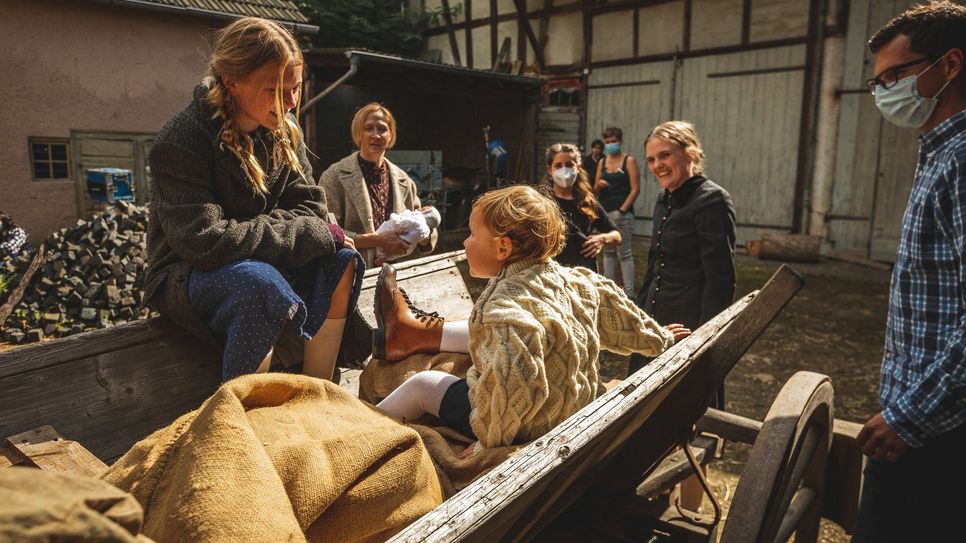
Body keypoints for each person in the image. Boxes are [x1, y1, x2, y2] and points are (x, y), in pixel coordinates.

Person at [373, 185, 690, 456]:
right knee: (479, 336)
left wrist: (490, 442)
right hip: (571, 404)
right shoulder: (578, 283)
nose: (465, 243)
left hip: (531, 423)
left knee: (423, 385)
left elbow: (516, 384)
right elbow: (623, 321)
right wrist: (660, 339)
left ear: (502, 247)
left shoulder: (508, 311)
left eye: (472, 235)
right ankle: (414, 333)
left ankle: (364, 432)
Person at [143, 17, 363, 382]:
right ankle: (243, 419)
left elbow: (311, 208)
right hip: (186, 273)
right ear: (232, 82)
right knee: (258, 283)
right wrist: (303, 232)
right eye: (276, 89)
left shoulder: (284, 132)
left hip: (260, 260)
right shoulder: (182, 139)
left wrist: (304, 231)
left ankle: (319, 389)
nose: (291, 102)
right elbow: (205, 241)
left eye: (296, 88)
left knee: (342, 260)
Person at [853, 3, 966, 541]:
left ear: (949, 65)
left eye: (896, 75)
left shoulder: (964, 161)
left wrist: (910, 418)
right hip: (917, 411)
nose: (884, 91)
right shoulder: (939, 153)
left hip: (938, 432)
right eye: (878, 81)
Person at [631, 121, 736, 377]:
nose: (657, 165)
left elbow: (720, 281)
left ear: (690, 153)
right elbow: (654, 265)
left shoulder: (711, 200)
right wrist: (640, 318)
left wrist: (704, 338)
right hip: (655, 318)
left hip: (688, 319)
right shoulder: (662, 199)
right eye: (651, 159)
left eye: (665, 155)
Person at [319, 103, 438, 267]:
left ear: (390, 136)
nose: (376, 135)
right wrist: (377, 240)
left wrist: (422, 234)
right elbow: (324, 232)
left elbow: (424, 226)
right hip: (352, 274)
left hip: (399, 273)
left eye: (382, 129)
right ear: (358, 133)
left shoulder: (404, 181)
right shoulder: (334, 177)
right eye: (369, 128)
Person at [545, 143, 620, 272]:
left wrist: (601, 239)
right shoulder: (542, 202)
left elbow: (617, 235)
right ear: (550, 170)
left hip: (584, 274)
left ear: (578, 168)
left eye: (569, 165)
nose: (564, 170)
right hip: (552, 274)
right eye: (558, 165)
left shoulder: (587, 202)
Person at [594, 127, 640, 297]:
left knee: (625, 254)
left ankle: (629, 294)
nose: (610, 145)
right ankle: (609, 291)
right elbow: (595, 188)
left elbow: (635, 189)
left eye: (613, 141)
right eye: (607, 142)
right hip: (605, 214)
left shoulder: (629, 160)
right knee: (608, 253)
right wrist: (599, 186)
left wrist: (622, 209)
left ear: (620, 141)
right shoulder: (602, 162)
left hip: (622, 214)